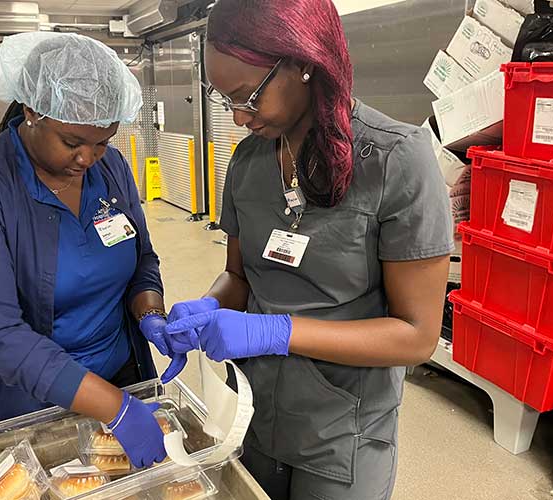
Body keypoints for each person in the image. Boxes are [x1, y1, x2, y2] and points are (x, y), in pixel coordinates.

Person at [163, 1, 454, 498]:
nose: (237, 117)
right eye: (224, 99)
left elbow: (415, 336)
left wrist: (276, 331)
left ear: (303, 62)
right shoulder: (251, 160)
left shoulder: (394, 161)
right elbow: (239, 276)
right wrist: (210, 306)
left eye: (248, 97)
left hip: (341, 431)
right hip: (254, 412)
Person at [0, 32, 182, 468]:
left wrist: (151, 314)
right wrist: (115, 408)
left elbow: (141, 257)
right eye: (72, 142)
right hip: (25, 403)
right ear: (31, 110)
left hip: (121, 379)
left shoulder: (112, 169)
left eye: (103, 140)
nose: (88, 158)